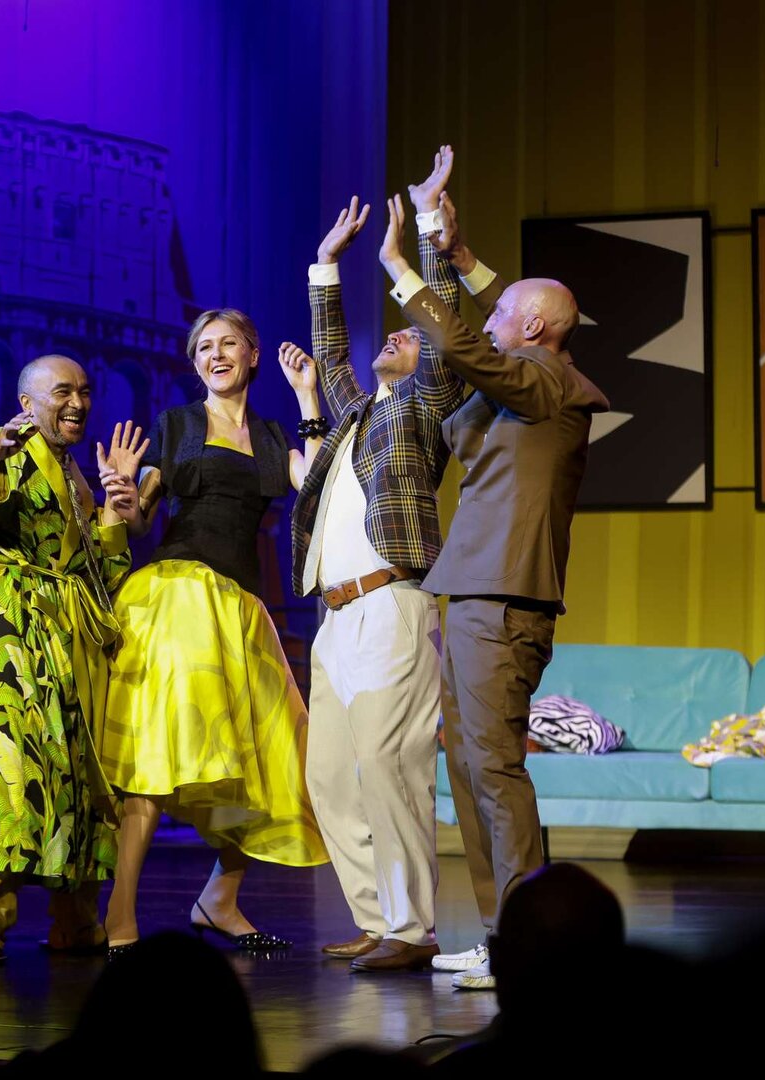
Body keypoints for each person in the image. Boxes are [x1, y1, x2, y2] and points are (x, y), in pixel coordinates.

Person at [381, 174, 610, 990]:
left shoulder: (548, 383)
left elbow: (473, 346)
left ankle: (527, 941)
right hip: (478, 592)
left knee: (494, 768)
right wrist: (457, 251)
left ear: (534, 328)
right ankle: (501, 934)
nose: (490, 315)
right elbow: (500, 322)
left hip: (503, 599)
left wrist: (405, 269)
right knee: (472, 770)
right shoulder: (535, 372)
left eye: (505, 309)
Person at [95, 306, 328, 957]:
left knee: (266, 759)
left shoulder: (273, 436)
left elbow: (317, 487)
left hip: (240, 612)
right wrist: (123, 500)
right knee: (155, 755)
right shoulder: (177, 426)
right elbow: (141, 519)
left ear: (253, 355)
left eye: (228, 344)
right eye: (204, 347)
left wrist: (308, 395)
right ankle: (120, 913)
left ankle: (220, 899)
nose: (215, 355)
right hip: (177, 599)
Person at [287, 145, 465, 973]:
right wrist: (325, 265)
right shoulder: (359, 414)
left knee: (392, 768)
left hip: (392, 601)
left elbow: (445, 326)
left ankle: (413, 927)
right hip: (334, 617)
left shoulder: (424, 409)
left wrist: (427, 226)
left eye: (408, 335)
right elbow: (330, 359)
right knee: (330, 776)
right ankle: (375, 917)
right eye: (391, 331)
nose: (397, 334)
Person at [0, 354, 143, 963]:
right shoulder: (5, 446)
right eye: (62, 392)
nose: (78, 403)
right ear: (27, 403)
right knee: (15, 766)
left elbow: (101, 573)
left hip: (70, 632)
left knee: (78, 773)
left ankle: (75, 920)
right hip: (11, 622)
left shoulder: (77, 476)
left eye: (85, 391)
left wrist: (115, 512)